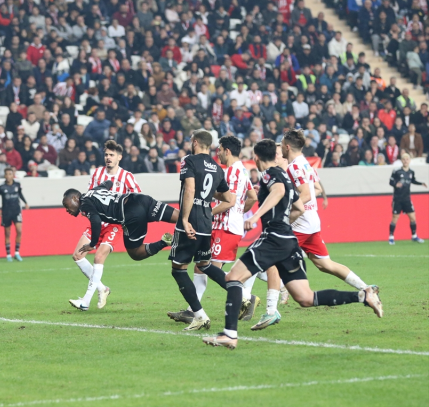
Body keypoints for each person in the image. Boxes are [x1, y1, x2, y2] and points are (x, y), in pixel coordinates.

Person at [202, 140, 382, 350]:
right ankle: (363, 295)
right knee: (305, 298)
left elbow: (278, 192)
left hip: (273, 239)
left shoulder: (270, 174)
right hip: (289, 242)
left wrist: (257, 216)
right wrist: (282, 221)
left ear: (256, 157)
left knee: (232, 277)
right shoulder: (285, 177)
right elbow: (299, 208)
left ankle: (229, 335)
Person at [276, 129, 375, 329]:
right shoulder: (305, 162)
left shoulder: (294, 166)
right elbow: (316, 188)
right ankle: (366, 288)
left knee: (267, 254)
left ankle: (272, 302)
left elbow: (304, 195)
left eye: (281, 145)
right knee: (324, 264)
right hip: (311, 220)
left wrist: (283, 214)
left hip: (301, 223)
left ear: (287, 146)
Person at [167, 135, 258, 326]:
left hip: (223, 226)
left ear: (227, 150)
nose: (218, 153)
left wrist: (207, 212)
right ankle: (193, 310)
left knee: (206, 268)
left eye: (220, 150)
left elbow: (230, 200)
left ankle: (246, 298)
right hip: (220, 226)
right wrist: (239, 213)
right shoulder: (240, 170)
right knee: (202, 266)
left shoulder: (232, 172)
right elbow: (251, 196)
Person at [63, 183, 177, 310]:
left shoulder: (84, 204)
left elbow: (95, 221)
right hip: (141, 199)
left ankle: (86, 301)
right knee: (181, 216)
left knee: (135, 253)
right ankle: (199, 231)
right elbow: (107, 184)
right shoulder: (95, 190)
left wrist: (92, 244)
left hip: (130, 214)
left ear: (74, 198)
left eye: (66, 205)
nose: (67, 210)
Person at [69, 140, 141, 311]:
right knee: (77, 255)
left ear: (119, 157)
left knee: (98, 257)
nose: (108, 158)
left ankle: (85, 301)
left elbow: (138, 199)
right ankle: (102, 288)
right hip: (97, 222)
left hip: (114, 224)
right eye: (106, 155)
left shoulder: (127, 177)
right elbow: (89, 195)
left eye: (111, 155)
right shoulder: (97, 173)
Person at [388, 153, 427, 245]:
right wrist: (395, 184)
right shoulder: (396, 171)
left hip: (407, 199)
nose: (405, 161)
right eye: (404, 159)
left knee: (413, 217)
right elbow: (390, 181)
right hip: (397, 199)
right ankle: (391, 237)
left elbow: (412, 180)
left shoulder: (411, 172)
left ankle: (414, 236)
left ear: (409, 160)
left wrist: (421, 183)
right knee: (395, 217)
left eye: (407, 159)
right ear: (401, 160)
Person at [0, 168, 30, 262]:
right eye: (7, 174)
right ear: (5, 175)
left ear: (12, 175)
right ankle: (8, 254)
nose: (8, 176)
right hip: (6, 212)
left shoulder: (17, 184)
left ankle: (17, 253)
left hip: (16, 211)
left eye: (10, 174)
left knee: (19, 230)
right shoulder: (1, 186)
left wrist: (25, 202)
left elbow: (20, 194)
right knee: (7, 233)